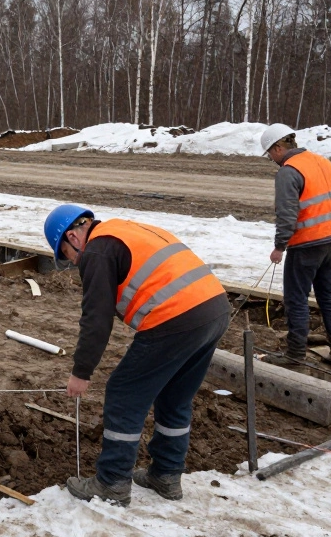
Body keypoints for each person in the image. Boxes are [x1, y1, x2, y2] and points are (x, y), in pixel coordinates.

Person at [44, 204, 230, 507]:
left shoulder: (96, 251)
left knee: (124, 391)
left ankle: (112, 483)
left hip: (176, 316)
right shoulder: (121, 230)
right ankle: (166, 474)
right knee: (175, 396)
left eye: (66, 255)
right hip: (214, 309)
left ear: (73, 237)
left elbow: (96, 319)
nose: (73, 262)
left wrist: (81, 372)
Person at [260, 123, 331, 364]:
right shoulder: (321, 161)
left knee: (296, 298)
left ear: (278, 147)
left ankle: (295, 354)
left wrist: (280, 246)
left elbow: (287, 213)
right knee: (329, 296)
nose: (271, 159)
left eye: (270, 154)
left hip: (308, 243)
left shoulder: (288, 171)